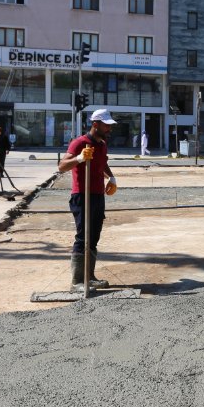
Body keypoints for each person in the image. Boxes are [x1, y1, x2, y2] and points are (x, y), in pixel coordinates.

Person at [58, 109, 118, 292]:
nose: (109, 129)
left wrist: (111, 177)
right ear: (95, 124)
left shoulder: (102, 144)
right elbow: (61, 166)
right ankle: (77, 281)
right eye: (106, 125)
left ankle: (89, 277)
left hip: (98, 195)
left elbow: (103, 162)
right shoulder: (79, 143)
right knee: (83, 237)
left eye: (110, 126)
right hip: (82, 195)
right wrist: (79, 158)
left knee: (93, 237)